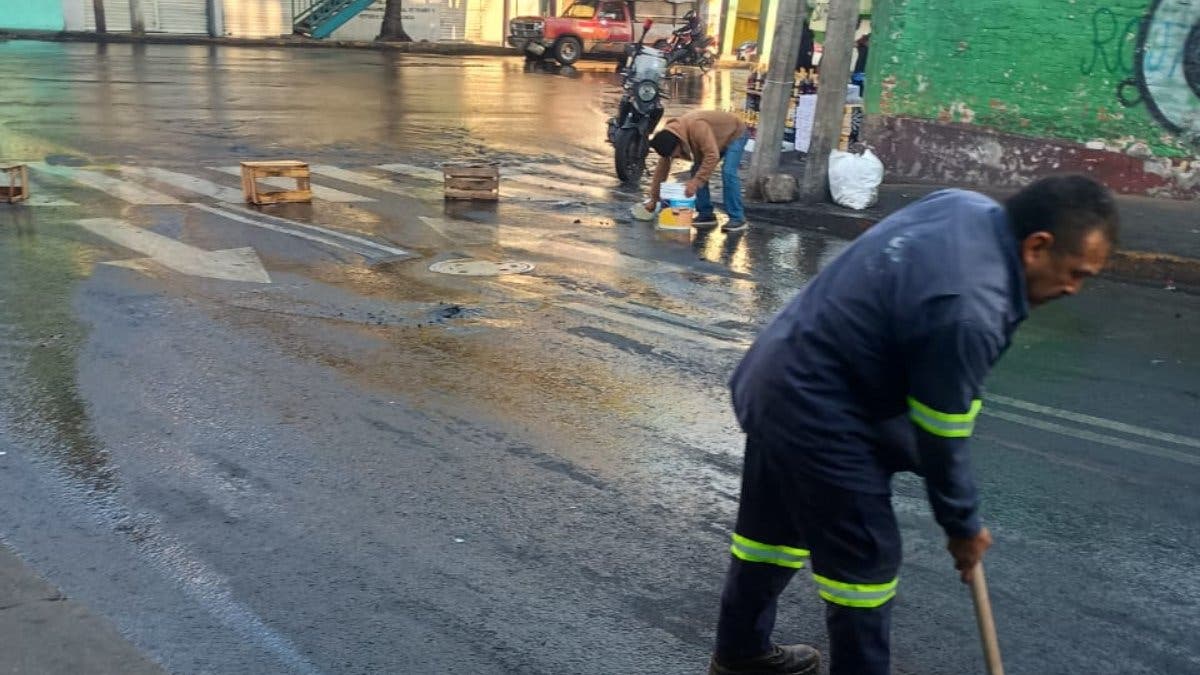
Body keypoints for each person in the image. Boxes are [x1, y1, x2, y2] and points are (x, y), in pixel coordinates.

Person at [709, 176, 1119, 675]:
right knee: (864, 572)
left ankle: (740, 653)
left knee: (769, 535)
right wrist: (963, 527)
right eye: (1075, 274)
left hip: (774, 376)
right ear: (1037, 246)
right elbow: (942, 436)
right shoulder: (970, 309)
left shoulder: (963, 205)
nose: (1074, 289)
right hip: (821, 413)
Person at [644, 110, 750, 233]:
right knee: (696, 170)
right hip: (714, 140)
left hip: (735, 133)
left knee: (728, 171)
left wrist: (696, 182)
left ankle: (738, 218)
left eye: (677, 154)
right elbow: (661, 171)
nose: (678, 157)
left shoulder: (698, 127)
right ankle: (706, 214)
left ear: (679, 143)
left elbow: (712, 156)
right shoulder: (668, 136)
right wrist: (654, 199)